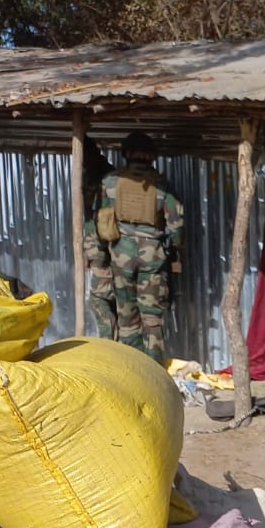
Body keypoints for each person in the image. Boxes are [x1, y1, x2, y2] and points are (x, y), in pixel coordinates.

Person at [96, 130, 184, 362]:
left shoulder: (110, 182)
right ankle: (154, 369)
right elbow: (176, 224)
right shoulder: (161, 186)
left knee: (126, 315)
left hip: (121, 254)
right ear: (151, 156)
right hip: (152, 256)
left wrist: (105, 252)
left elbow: (103, 220)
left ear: (126, 153)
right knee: (152, 316)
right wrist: (175, 248)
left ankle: (133, 369)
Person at [82, 137, 117, 340]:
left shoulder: (102, 177)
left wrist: (94, 249)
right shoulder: (100, 173)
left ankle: (109, 343)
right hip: (99, 243)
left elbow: (103, 218)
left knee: (98, 299)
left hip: (103, 244)